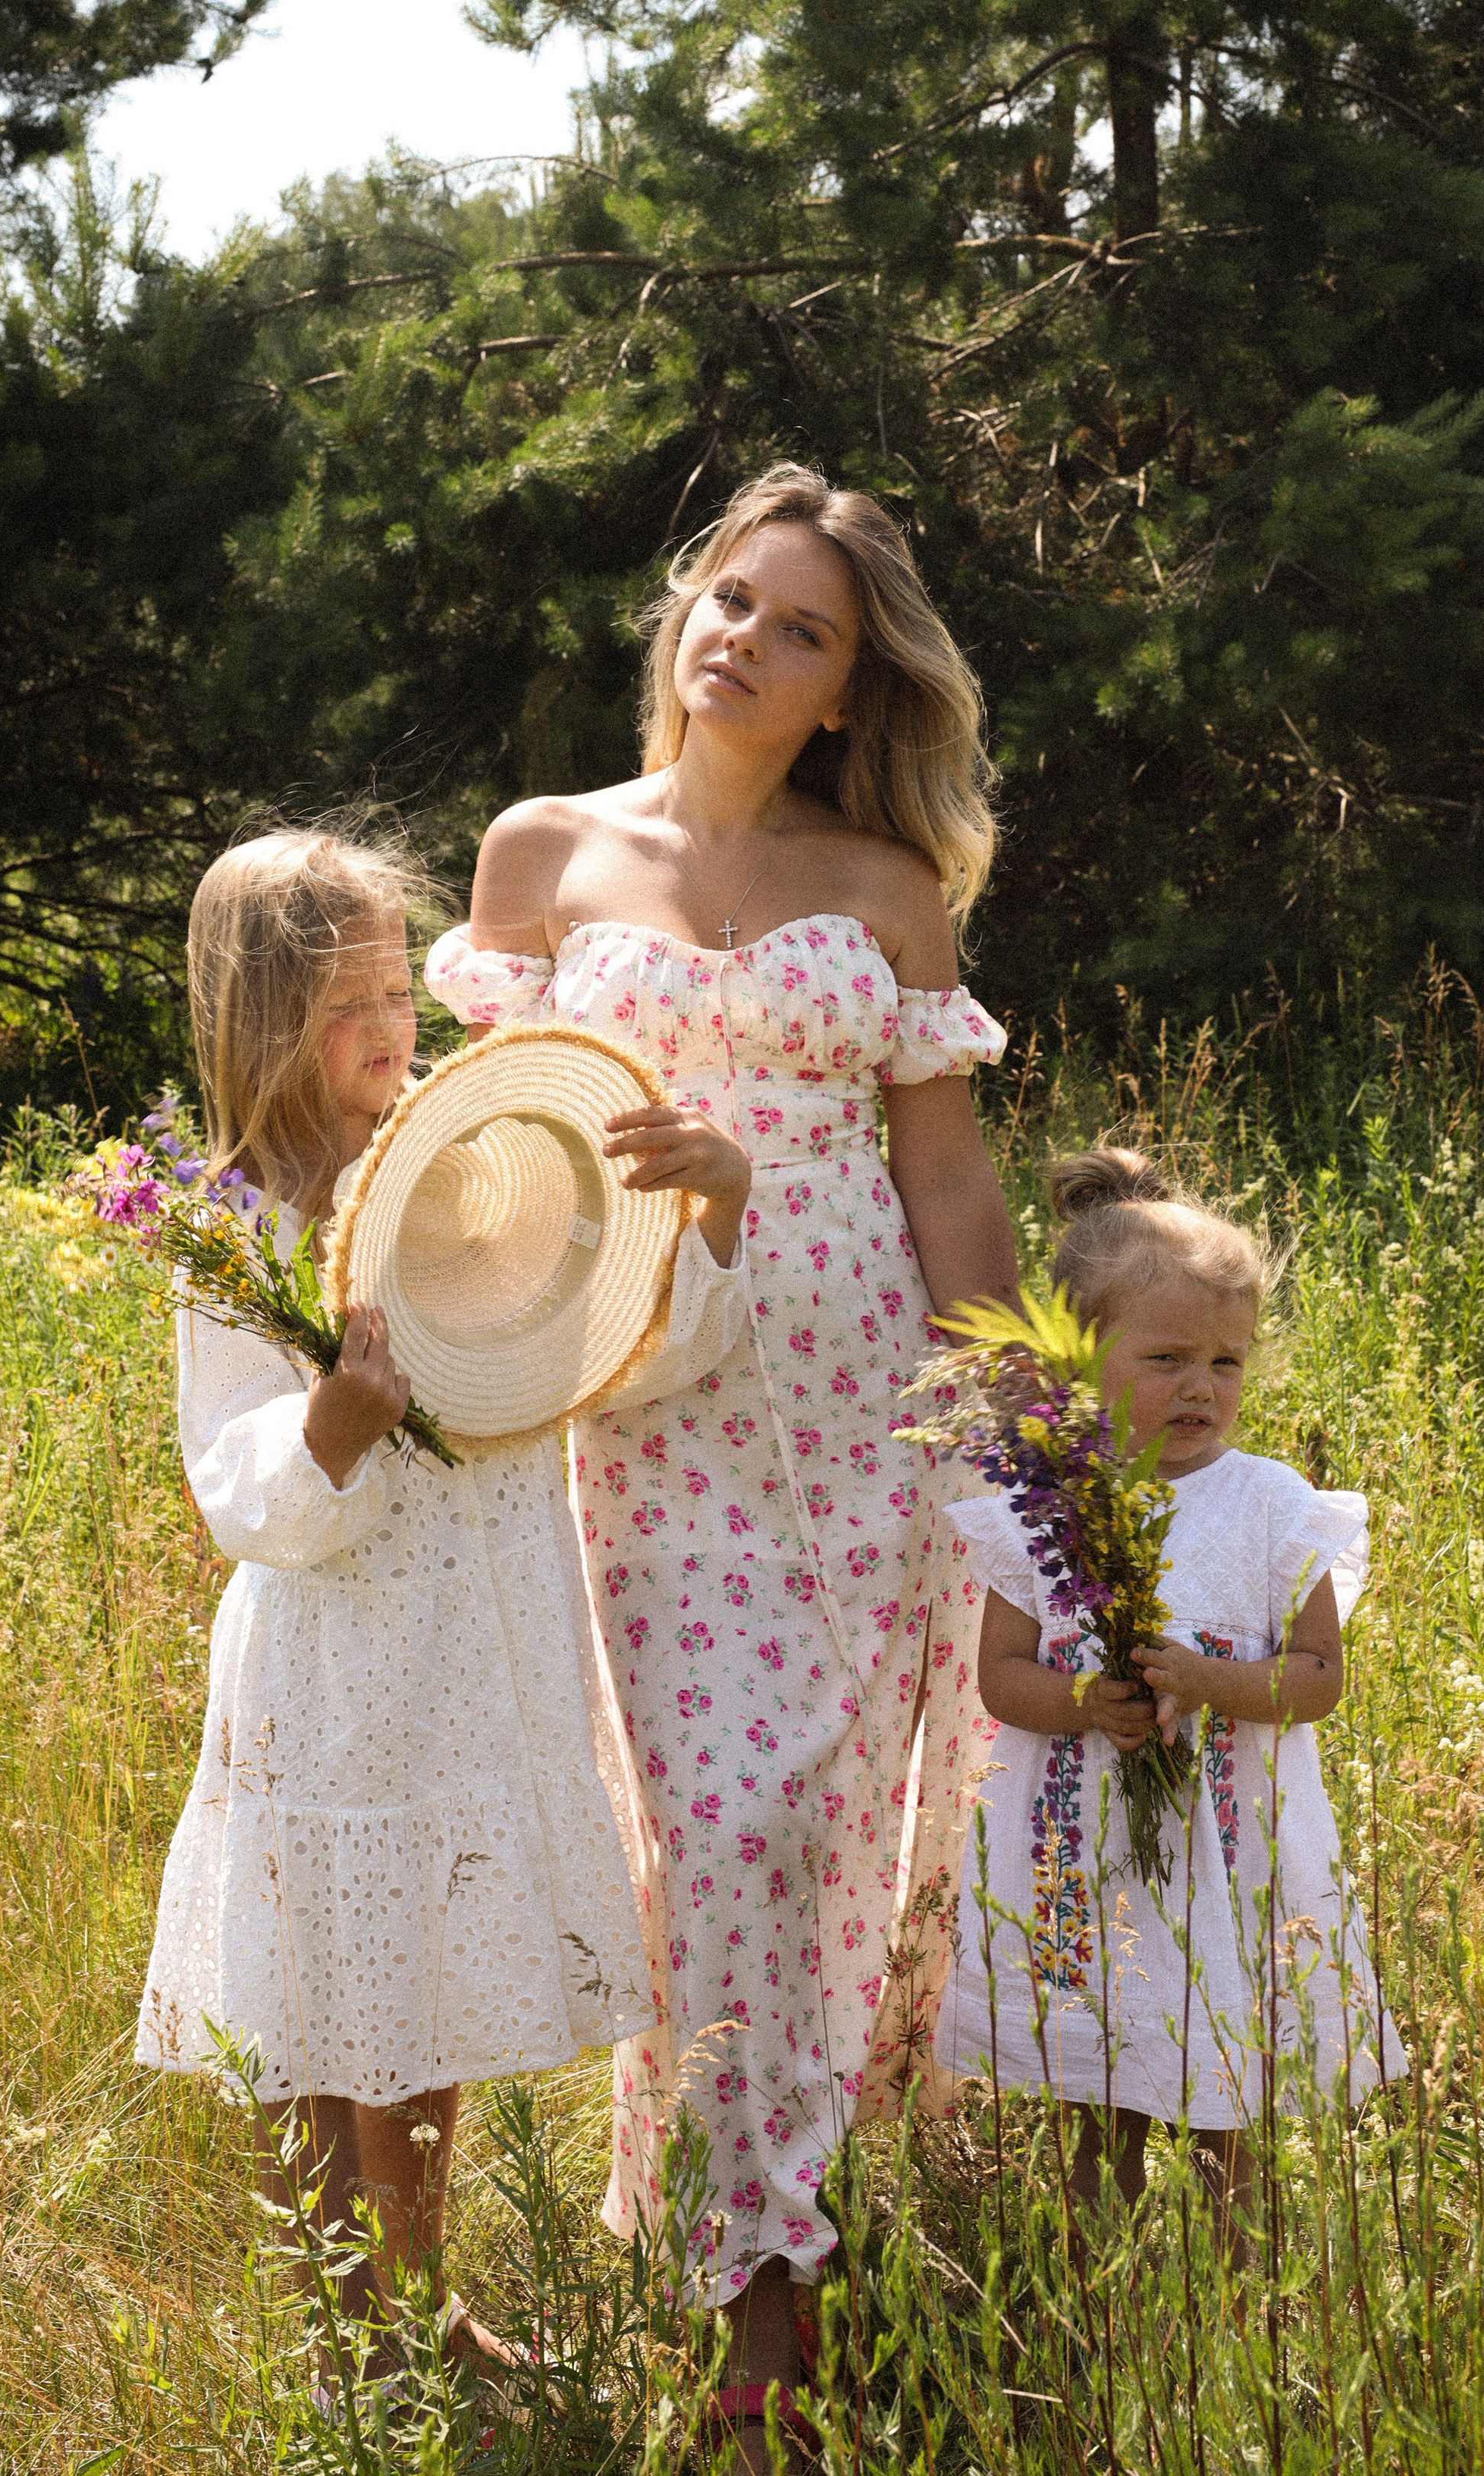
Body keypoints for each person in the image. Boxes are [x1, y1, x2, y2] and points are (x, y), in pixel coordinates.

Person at [424, 463, 1018, 2456]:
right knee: (718, 1846)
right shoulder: (545, 854)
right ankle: (759, 2322)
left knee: (834, 1841)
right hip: (658, 1414)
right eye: (729, 597)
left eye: (802, 626)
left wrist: (1016, 1435)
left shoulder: (888, 891)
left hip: (863, 1429)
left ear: (850, 690)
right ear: (683, 613)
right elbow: (478, 1155)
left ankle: (788, 2246)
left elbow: (945, 1175)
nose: (745, 636)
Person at [135, 826, 754, 2390]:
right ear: (260, 1019)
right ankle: (355, 2331)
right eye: (353, 1002)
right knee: (315, 2008)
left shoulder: (470, 1170)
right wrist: (329, 1427)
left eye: (402, 987)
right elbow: (237, 1487)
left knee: (412, 2007)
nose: (394, 1026)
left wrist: (709, 1220)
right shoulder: (238, 1226)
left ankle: (416, 2316)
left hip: (470, 1657)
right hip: (342, 1667)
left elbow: (616, 1350)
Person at [933, 1147, 1405, 2250]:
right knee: (1102, 2097)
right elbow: (999, 1675)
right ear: (1082, 1360)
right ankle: (1109, 2305)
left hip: (1228, 1861)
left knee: (1232, 2097)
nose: (1203, 1386)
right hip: (1087, 1856)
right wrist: (1086, 1703)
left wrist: (1211, 1682)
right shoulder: (1043, 1507)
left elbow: (1319, 1675)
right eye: (1168, 1358)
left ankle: (1244, 2308)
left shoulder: (1270, 1506)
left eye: (1226, 1361)